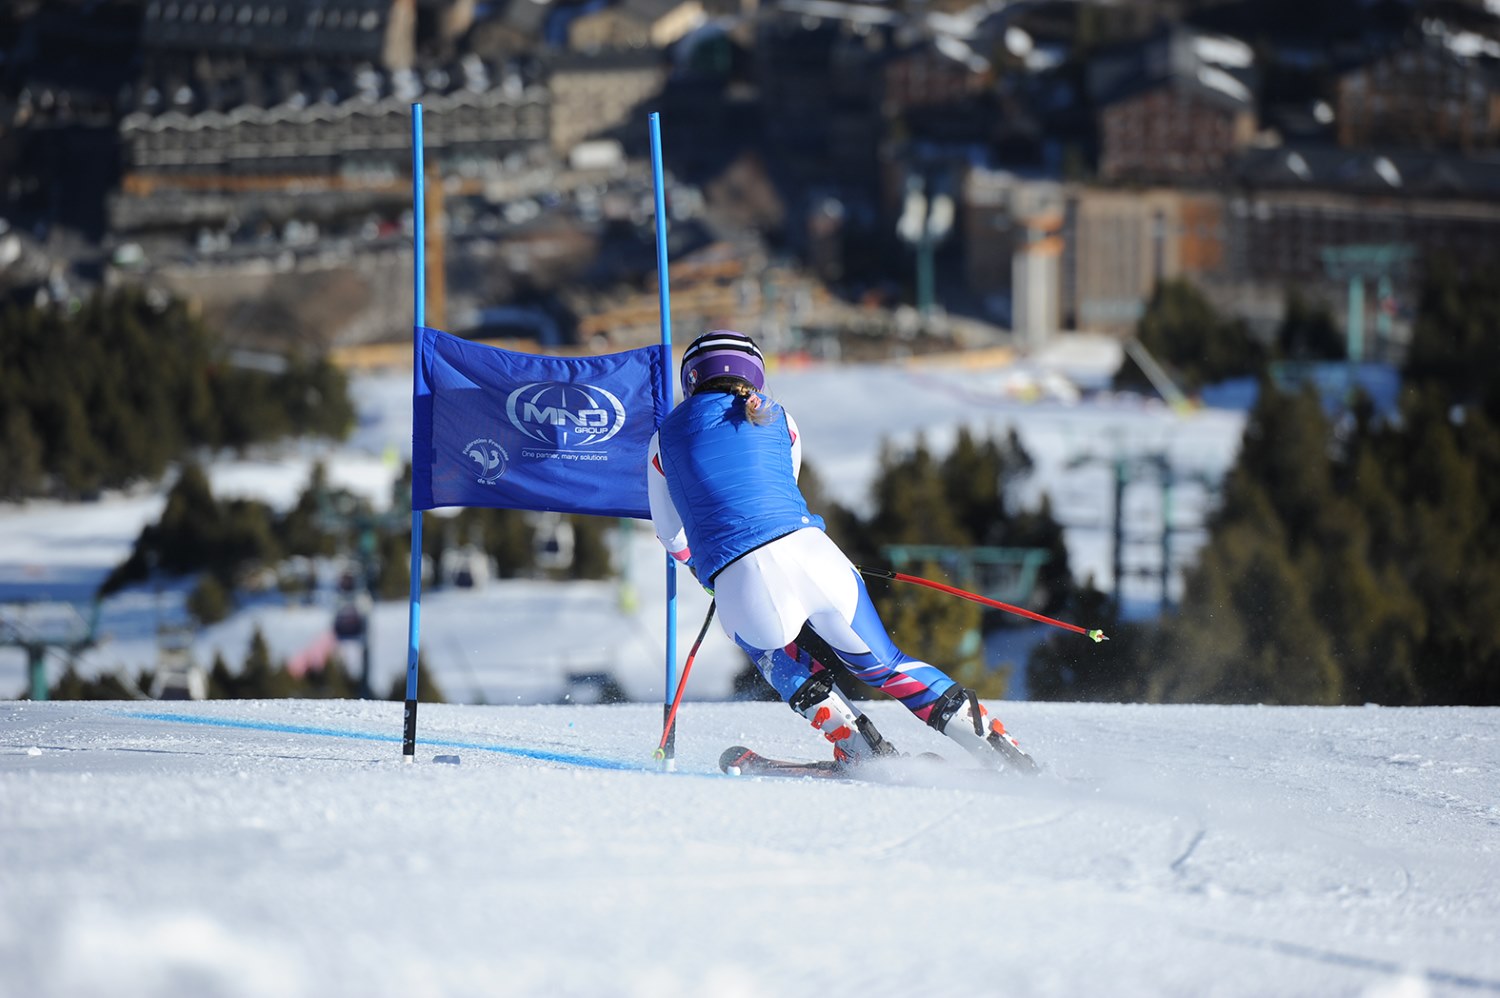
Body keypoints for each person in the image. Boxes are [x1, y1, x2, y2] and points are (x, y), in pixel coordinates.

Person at [646, 329, 1033, 771]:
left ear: (690, 379)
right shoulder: (781, 418)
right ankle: (1002, 750)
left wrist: (702, 571)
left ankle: (858, 746)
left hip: (743, 576)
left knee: (774, 654)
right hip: (818, 557)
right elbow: (783, 488)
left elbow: (671, 535)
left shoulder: (663, 439)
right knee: (887, 666)